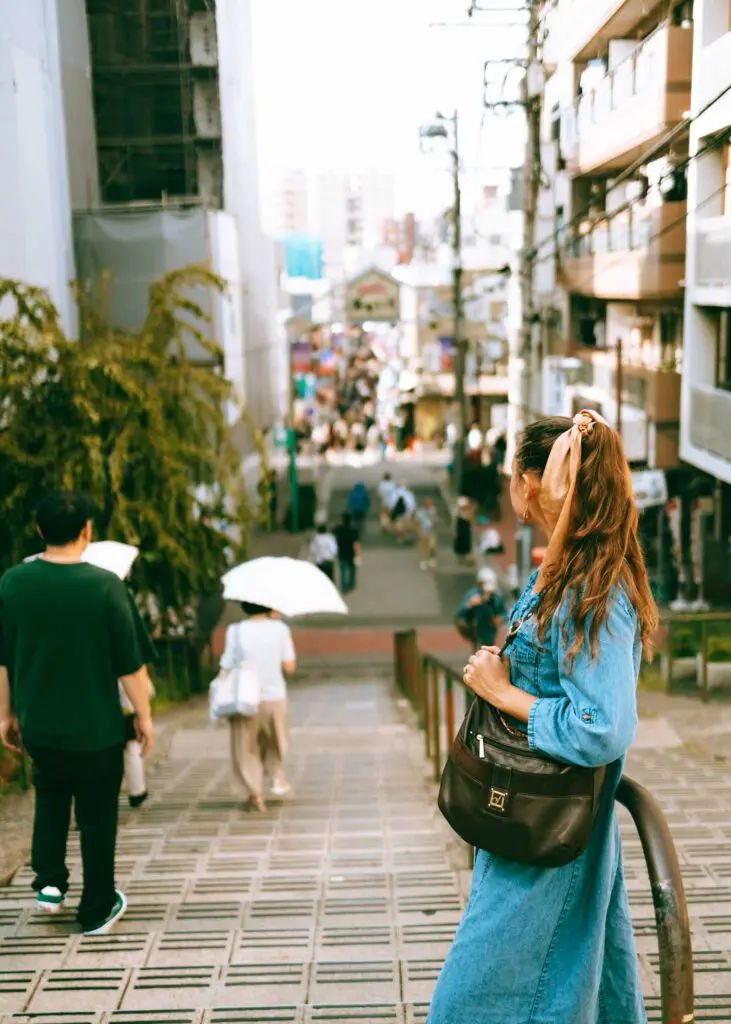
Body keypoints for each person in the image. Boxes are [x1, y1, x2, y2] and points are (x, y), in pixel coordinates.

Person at [427, 411, 658, 1024]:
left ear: (532, 483)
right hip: (526, 823)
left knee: (469, 1006)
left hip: (550, 837)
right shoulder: (563, 573)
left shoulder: (595, 590)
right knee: (564, 991)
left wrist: (503, 694)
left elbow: (602, 725)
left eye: (514, 474)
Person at [0, 492, 155, 936]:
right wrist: (143, 716)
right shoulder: (106, 586)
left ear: (40, 530)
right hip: (97, 729)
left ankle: (49, 884)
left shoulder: (12, 583)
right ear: (86, 531)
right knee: (96, 816)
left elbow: (4, 658)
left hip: (40, 725)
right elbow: (129, 665)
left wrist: (5, 715)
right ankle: (97, 907)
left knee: (49, 797)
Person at [219, 603, 296, 812]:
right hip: (275, 696)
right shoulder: (280, 629)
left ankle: (256, 794)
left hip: (245, 697)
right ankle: (277, 775)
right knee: (276, 740)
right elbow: (289, 666)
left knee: (246, 746)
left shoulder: (235, 631)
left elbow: (226, 664)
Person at [455, 567, 506, 649]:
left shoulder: (497, 597)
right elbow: (461, 612)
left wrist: (500, 618)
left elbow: (504, 613)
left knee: (488, 649)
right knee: (477, 650)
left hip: (490, 630)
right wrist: (470, 604)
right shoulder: (472, 594)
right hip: (476, 629)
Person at [334, 512, 361, 594]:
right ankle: (351, 583)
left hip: (341, 552)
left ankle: (344, 587)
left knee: (343, 570)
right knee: (352, 569)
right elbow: (356, 544)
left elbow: (334, 539)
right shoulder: (354, 530)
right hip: (351, 553)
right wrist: (358, 554)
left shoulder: (338, 529)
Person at [416, 497, 438, 570]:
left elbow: (435, 521)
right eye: (428, 503)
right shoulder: (420, 512)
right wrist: (418, 531)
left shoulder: (433, 511)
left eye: (431, 503)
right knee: (423, 547)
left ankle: (432, 560)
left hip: (431, 532)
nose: (430, 505)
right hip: (423, 531)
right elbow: (418, 522)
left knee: (432, 546)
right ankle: (423, 561)